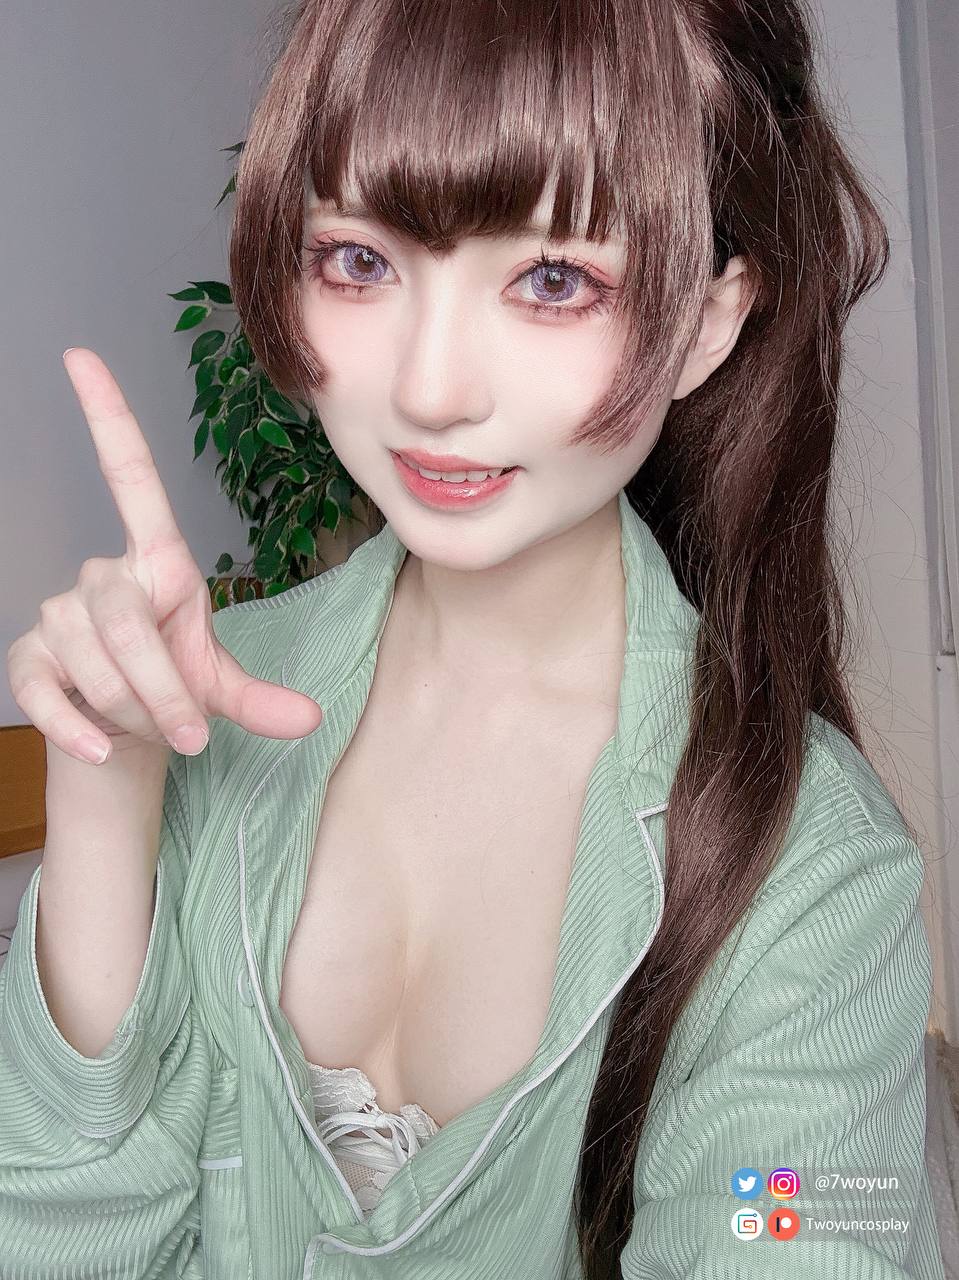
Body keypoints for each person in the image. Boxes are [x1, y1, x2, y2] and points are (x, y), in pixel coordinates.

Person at [0, 0, 946, 1276]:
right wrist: (106, 798)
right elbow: (49, 1232)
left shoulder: (812, 867)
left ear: (706, 323)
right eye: (358, 260)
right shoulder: (198, 706)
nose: (428, 388)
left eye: (553, 280)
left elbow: (791, 1233)